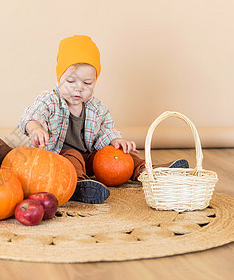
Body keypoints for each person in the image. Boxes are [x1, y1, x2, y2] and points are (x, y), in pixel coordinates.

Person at [18, 35, 188, 204]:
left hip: (89, 158)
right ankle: (77, 185)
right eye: (71, 81)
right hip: (60, 158)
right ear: (59, 78)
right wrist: (35, 128)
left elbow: (106, 131)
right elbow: (32, 115)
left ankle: (150, 171)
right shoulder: (49, 100)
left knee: (119, 154)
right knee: (72, 155)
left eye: (87, 83)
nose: (79, 88)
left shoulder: (96, 108)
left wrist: (116, 140)